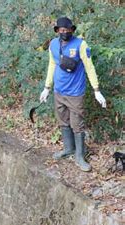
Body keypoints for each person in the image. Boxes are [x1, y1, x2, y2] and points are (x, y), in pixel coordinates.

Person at [39, 17, 106, 172]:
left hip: (75, 93)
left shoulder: (80, 45)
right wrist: (47, 87)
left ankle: (79, 156)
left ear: (72, 30)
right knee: (63, 121)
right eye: (61, 30)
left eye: (67, 30)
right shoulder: (53, 44)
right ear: (57, 31)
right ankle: (68, 149)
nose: (64, 32)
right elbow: (52, 64)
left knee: (77, 124)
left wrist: (96, 90)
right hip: (59, 91)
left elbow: (89, 67)